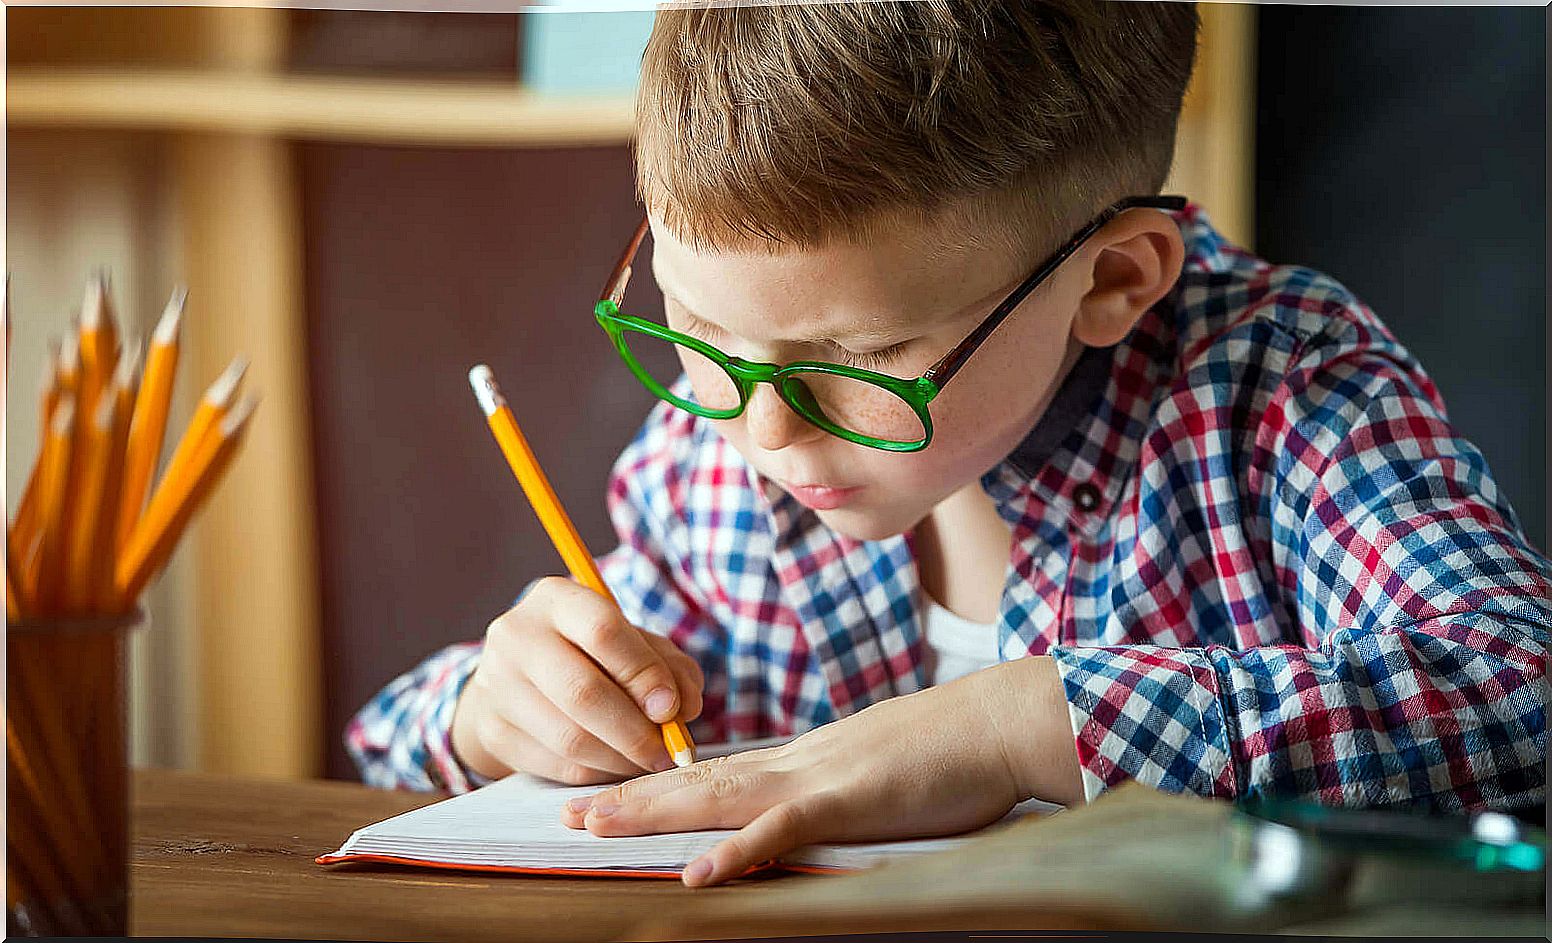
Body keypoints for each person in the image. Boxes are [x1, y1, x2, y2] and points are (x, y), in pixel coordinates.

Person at [348, 0, 1550, 887]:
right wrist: (490, 711)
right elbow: (383, 744)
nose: (764, 432)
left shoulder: (1281, 388)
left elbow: (1517, 689)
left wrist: (1021, 723)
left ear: (1115, 279)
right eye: (697, 329)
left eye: (861, 361)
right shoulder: (708, 459)